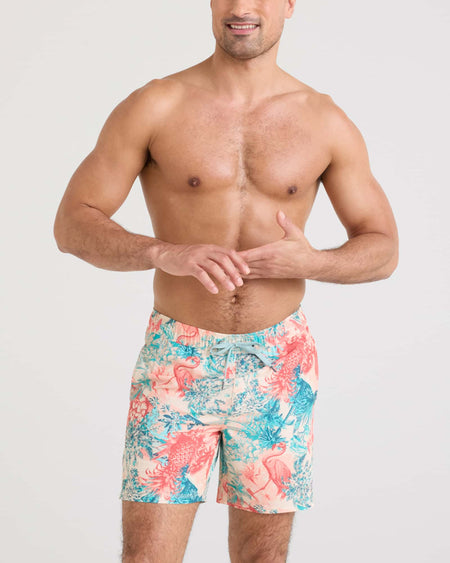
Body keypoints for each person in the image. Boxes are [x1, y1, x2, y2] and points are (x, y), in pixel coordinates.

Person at [53, 0, 399, 561]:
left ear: (289, 5)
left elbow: (382, 249)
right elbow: (72, 224)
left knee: (264, 559)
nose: (242, 8)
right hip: (178, 354)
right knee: (147, 557)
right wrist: (163, 252)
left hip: (279, 361)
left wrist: (312, 262)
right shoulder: (156, 105)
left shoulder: (324, 120)